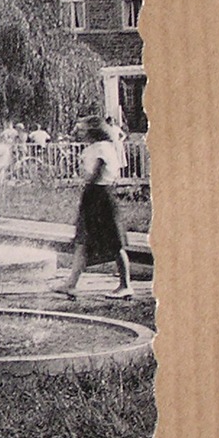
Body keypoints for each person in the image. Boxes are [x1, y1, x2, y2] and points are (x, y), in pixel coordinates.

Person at [57, 116, 133, 300]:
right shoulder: (94, 148)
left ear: (93, 131)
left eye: (82, 130)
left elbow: (96, 173)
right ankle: (71, 284)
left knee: (115, 242)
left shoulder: (102, 148)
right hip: (93, 194)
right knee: (82, 241)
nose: (79, 133)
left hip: (100, 195)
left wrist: (86, 179)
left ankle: (125, 285)